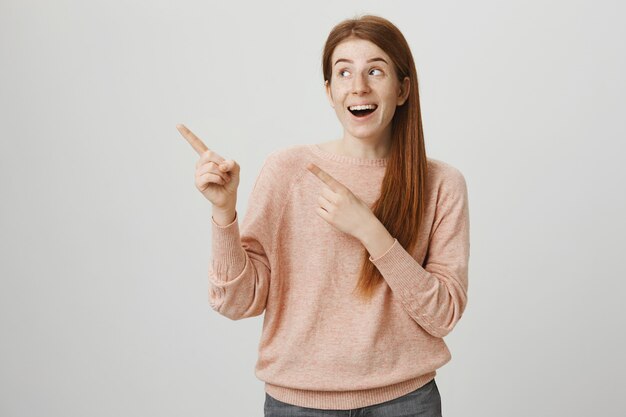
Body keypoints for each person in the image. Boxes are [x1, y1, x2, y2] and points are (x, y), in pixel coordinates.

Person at [178, 14, 470, 417]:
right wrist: (224, 211)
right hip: (299, 404)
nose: (359, 86)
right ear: (330, 91)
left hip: (406, 403)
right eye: (344, 72)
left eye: (375, 70)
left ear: (403, 89)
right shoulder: (287, 170)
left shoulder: (441, 184)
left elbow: (443, 314)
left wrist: (371, 231)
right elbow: (236, 302)